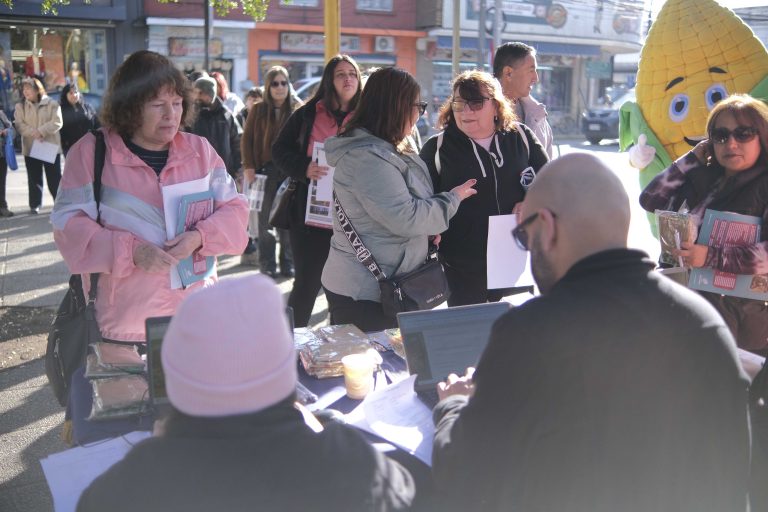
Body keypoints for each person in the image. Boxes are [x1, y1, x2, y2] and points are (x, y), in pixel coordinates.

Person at [431, 153, 751, 512]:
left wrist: (452, 405)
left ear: (547, 227)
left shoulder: (532, 333)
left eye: (525, 236)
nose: (527, 248)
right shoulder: (703, 323)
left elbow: (461, 473)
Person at [76, 275, 416, 512]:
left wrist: (164, 447)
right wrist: (323, 432)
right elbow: (404, 493)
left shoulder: (133, 486)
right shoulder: (350, 463)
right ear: (287, 378)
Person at [51, 50, 249, 343]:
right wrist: (131, 252)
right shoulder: (91, 153)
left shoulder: (200, 151)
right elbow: (68, 228)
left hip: (195, 318)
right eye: (158, 105)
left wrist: (200, 237)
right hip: (124, 327)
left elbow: (235, 213)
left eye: (178, 103)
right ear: (130, 107)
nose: (172, 115)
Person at [321, 67, 478, 332]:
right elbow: (406, 217)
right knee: (370, 369)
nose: (421, 113)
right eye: (418, 105)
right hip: (365, 293)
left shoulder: (389, 146)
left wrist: (424, 234)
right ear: (395, 107)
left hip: (392, 284)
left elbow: (403, 209)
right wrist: (452, 200)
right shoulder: (367, 159)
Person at [640, 94, 768, 355]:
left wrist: (709, 257)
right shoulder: (701, 177)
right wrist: (690, 159)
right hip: (681, 310)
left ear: (762, 137)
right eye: (721, 136)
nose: (731, 143)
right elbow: (651, 199)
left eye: (743, 133)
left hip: (737, 323)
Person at [420, 70, 549, 306]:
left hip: (517, 259)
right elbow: (420, 203)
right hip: (461, 266)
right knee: (469, 336)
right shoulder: (436, 148)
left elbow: (550, 181)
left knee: (513, 336)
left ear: (496, 106)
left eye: (476, 103)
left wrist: (532, 200)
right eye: (459, 103)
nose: (467, 111)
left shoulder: (521, 136)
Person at [272, 54, 362, 327]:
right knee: (307, 284)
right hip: (310, 215)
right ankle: (287, 347)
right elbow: (279, 150)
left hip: (353, 217)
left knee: (344, 290)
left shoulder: (368, 117)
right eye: (341, 74)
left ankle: (338, 348)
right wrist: (304, 167)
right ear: (329, 81)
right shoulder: (307, 114)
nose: (348, 79)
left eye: (353, 74)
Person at [241, 66, 301, 278]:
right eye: (275, 83)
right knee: (264, 223)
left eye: (283, 82)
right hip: (264, 173)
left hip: (289, 173)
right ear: (268, 86)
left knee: (287, 222)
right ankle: (267, 265)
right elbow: (246, 139)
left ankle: (287, 263)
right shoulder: (258, 110)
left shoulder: (297, 109)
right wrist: (248, 166)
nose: (280, 87)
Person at [493, 42, 554, 158]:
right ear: (508, 73)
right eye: (531, 70)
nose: (536, 78)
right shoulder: (478, 114)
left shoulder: (538, 114)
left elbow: (548, 169)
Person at [14, 77, 62, 214]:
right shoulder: (20, 106)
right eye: (24, 89)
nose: (25, 91)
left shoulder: (52, 104)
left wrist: (41, 131)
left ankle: (60, 204)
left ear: (37, 90)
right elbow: (19, 125)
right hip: (31, 146)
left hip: (50, 146)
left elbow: (57, 122)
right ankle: (35, 204)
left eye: (29, 88)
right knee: (34, 178)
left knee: (54, 178)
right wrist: (34, 133)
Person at [190, 76, 242, 180]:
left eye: (201, 93)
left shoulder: (226, 115)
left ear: (210, 94)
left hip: (223, 173)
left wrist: (237, 168)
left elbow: (237, 142)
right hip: (195, 174)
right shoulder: (190, 115)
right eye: (195, 93)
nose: (197, 97)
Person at [58, 83, 99, 156]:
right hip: (70, 148)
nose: (74, 95)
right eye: (71, 93)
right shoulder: (60, 110)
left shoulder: (87, 107)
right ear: (65, 95)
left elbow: (96, 123)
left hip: (88, 146)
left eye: (76, 92)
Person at [0, 106, 12, 217]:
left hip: (1, 155)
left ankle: (3, 207)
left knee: (1, 182)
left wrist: (5, 131)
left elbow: (10, 127)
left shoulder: (1, 113)